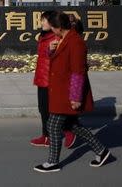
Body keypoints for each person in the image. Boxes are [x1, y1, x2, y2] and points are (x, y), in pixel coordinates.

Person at [34, 11, 111, 173]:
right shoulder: (63, 39)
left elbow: (78, 71)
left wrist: (76, 97)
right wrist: (50, 50)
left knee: (53, 125)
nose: (51, 31)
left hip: (68, 93)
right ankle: (102, 151)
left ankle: (53, 162)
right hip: (61, 91)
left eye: (52, 27)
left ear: (58, 27)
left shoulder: (76, 42)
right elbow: (57, 61)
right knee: (71, 125)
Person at [31, 11, 76, 148]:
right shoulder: (44, 36)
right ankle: (46, 136)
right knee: (43, 109)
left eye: (44, 20)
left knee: (57, 109)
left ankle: (70, 131)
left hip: (52, 79)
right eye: (41, 20)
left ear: (52, 22)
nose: (41, 23)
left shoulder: (57, 38)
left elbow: (60, 59)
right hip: (42, 78)